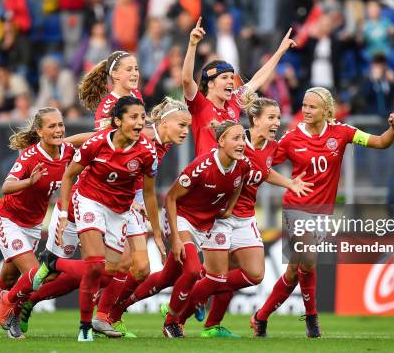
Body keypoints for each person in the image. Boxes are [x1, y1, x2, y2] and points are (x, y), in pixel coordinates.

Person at [18, 97, 192, 336]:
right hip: (98, 198)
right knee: (100, 268)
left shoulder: (160, 144)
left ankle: (105, 316)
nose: (185, 131)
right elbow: (93, 139)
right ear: (163, 122)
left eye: (188, 127)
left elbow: (147, 189)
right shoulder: (144, 136)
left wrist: (154, 227)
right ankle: (45, 299)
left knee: (136, 269)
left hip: (127, 203)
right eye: (181, 125)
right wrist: (63, 145)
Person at [250, 87, 394, 338]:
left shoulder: (341, 133)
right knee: (308, 260)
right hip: (296, 207)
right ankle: (312, 320)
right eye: (304, 106)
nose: (306, 111)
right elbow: (262, 164)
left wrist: (393, 130)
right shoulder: (291, 138)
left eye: (312, 107)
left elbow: (381, 142)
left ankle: (260, 317)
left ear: (326, 111)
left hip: (323, 213)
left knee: (295, 271)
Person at [172, 90, 313, 338]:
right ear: (255, 119)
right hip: (221, 217)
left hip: (245, 217)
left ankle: (200, 291)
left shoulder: (272, 148)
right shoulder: (235, 142)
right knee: (217, 276)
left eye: (279, 118)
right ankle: (179, 318)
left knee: (255, 275)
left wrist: (289, 183)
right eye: (271, 117)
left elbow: (265, 171)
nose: (276, 123)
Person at [0, 108, 75, 339]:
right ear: (39, 131)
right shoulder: (30, 156)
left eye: (60, 124)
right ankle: (12, 312)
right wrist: (29, 181)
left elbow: (86, 139)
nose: (58, 129)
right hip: (9, 220)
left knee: (10, 277)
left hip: (33, 225)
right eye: (52, 126)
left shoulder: (67, 150)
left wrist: (109, 132)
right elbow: (6, 187)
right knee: (35, 274)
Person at [160, 120, 251, 338]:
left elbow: (239, 182)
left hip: (203, 224)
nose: (242, 143)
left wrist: (228, 209)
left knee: (165, 278)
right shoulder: (202, 165)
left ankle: (116, 309)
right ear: (221, 141)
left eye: (243, 138)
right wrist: (175, 239)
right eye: (236, 138)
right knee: (192, 270)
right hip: (181, 218)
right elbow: (171, 197)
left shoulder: (242, 164)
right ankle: (171, 322)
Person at [182, 17, 296, 156]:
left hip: (231, 174)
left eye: (231, 77)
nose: (231, 81)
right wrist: (192, 44)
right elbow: (187, 80)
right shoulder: (200, 104)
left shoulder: (233, 101)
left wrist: (280, 52)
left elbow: (257, 79)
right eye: (224, 77)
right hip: (208, 176)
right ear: (210, 84)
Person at [78, 50, 143, 130]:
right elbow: (103, 138)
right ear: (115, 74)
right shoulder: (106, 109)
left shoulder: (136, 94)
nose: (135, 73)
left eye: (136, 69)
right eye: (129, 70)